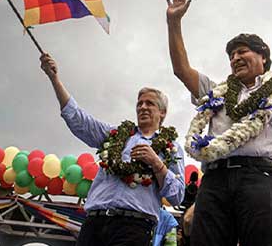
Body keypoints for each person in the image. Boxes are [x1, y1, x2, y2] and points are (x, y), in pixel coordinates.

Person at [166, 0, 272, 246]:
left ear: (263, 57)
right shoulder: (216, 91)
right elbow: (181, 69)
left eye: (242, 52)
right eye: (231, 56)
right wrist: (174, 23)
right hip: (215, 180)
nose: (235, 58)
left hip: (262, 180)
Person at [41, 53, 186, 246]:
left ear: (163, 112)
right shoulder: (116, 135)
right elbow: (78, 120)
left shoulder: (172, 148)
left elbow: (177, 195)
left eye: (149, 103)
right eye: (139, 103)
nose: (142, 107)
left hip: (133, 227)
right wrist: (55, 79)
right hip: (94, 222)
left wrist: (156, 163)